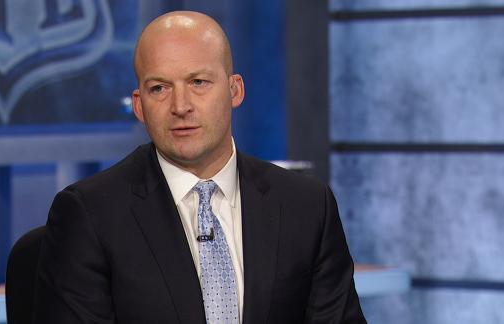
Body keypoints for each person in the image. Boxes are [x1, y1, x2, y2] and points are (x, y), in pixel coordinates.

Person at [34, 11, 366, 324]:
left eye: (198, 82)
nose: (180, 106)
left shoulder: (306, 206)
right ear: (139, 105)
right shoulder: (90, 215)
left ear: (235, 90)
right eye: (159, 88)